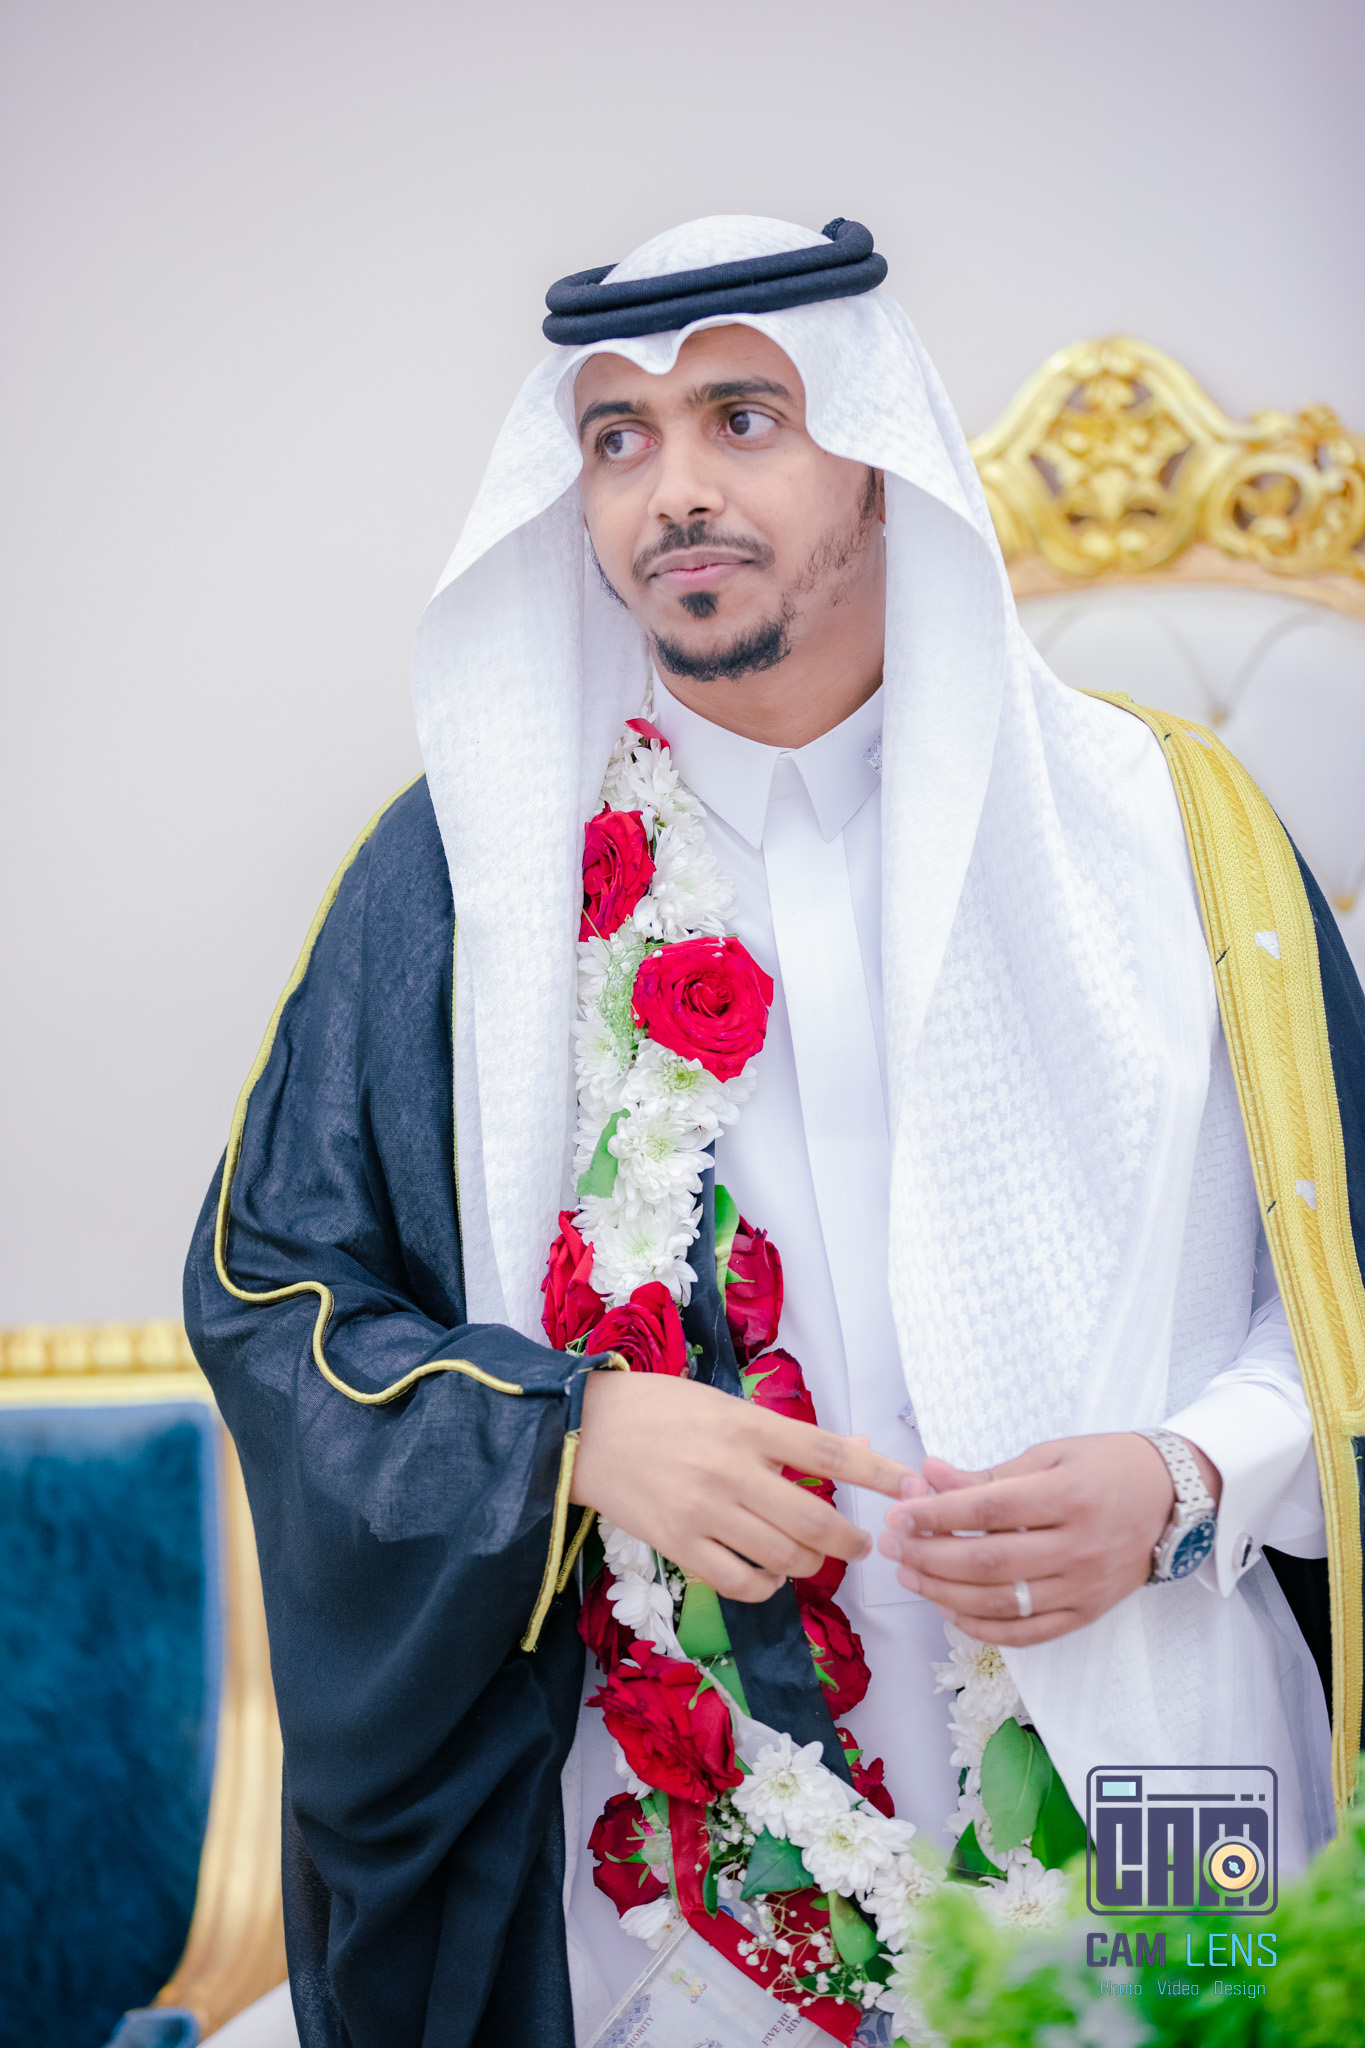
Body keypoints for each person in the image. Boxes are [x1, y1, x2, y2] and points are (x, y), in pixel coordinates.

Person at [185, 216, 1365, 2048]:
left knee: (1190, 2024)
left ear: (878, 463)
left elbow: (1342, 1285)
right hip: (668, 1836)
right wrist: (567, 1433)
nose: (672, 487)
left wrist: (1189, 1479)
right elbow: (275, 1301)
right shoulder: (467, 877)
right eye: (617, 438)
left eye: (743, 418)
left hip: (1157, 1753)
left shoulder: (1167, 833)